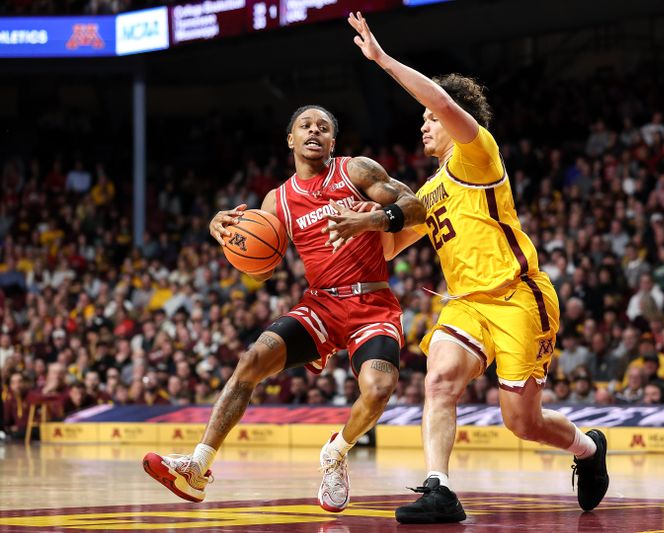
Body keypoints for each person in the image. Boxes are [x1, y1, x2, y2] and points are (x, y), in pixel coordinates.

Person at [329, 12, 608, 523]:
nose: (424, 123)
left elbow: (440, 100)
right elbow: (389, 249)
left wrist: (382, 60)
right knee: (438, 381)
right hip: (467, 306)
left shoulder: (478, 155)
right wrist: (345, 223)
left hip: (518, 297)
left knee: (521, 423)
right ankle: (440, 489)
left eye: (431, 119)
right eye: (425, 119)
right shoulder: (428, 192)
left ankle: (588, 449)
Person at [143, 105, 426, 512]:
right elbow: (262, 271)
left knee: (379, 390)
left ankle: (336, 452)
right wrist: (226, 236)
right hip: (322, 305)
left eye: (324, 127)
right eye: (305, 126)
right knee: (252, 359)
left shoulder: (356, 171)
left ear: (332, 141)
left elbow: (414, 206)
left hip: (372, 302)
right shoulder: (277, 200)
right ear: (290, 140)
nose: (315, 130)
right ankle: (197, 469)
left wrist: (373, 221)